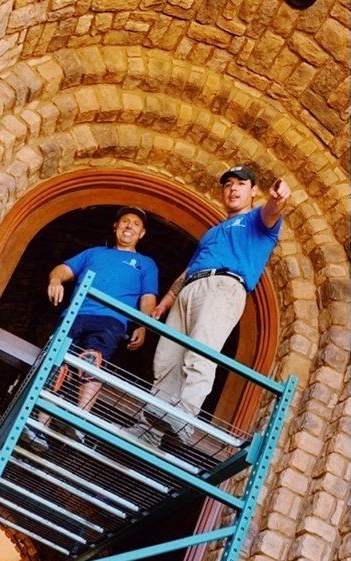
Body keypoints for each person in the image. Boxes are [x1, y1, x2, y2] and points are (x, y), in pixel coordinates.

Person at [136, 167, 291, 444]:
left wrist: (278, 199)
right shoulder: (213, 232)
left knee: (200, 354)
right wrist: (167, 301)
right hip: (191, 288)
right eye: (228, 184)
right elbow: (190, 268)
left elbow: (272, 211)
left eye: (241, 184)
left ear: (253, 191)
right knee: (167, 360)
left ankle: (184, 419)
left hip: (223, 287)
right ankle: (147, 431)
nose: (233, 189)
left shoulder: (257, 220)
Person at [24, 206, 158, 451]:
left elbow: (148, 298)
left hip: (111, 321)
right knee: (57, 365)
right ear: (115, 226)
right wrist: (55, 280)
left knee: (91, 362)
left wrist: (144, 325)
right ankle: (38, 427)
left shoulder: (145, 264)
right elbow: (63, 269)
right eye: (125, 221)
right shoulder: (94, 253)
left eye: (136, 224)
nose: (129, 226)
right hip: (75, 314)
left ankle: (78, 419)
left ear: (142, 234)